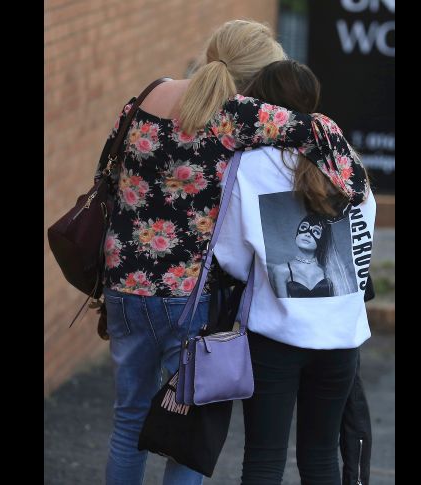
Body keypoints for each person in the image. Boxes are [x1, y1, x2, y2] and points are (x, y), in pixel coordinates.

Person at [91, 20, 368, 485]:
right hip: (191, 295)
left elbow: (108, 173)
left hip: (124, 284)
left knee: (128, 419)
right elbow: (318, 132)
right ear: (255, 77)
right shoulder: (240, 115)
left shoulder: (145, 97)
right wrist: (354, 186)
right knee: (189, 427)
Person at [213, 59, 376, 484]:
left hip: (274, 337)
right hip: (340, 337)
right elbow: (362, 243)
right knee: (321, 458)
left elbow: (230, 256)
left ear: (262, 106)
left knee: (264, 459)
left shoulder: (248, 165)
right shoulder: (347, 161)